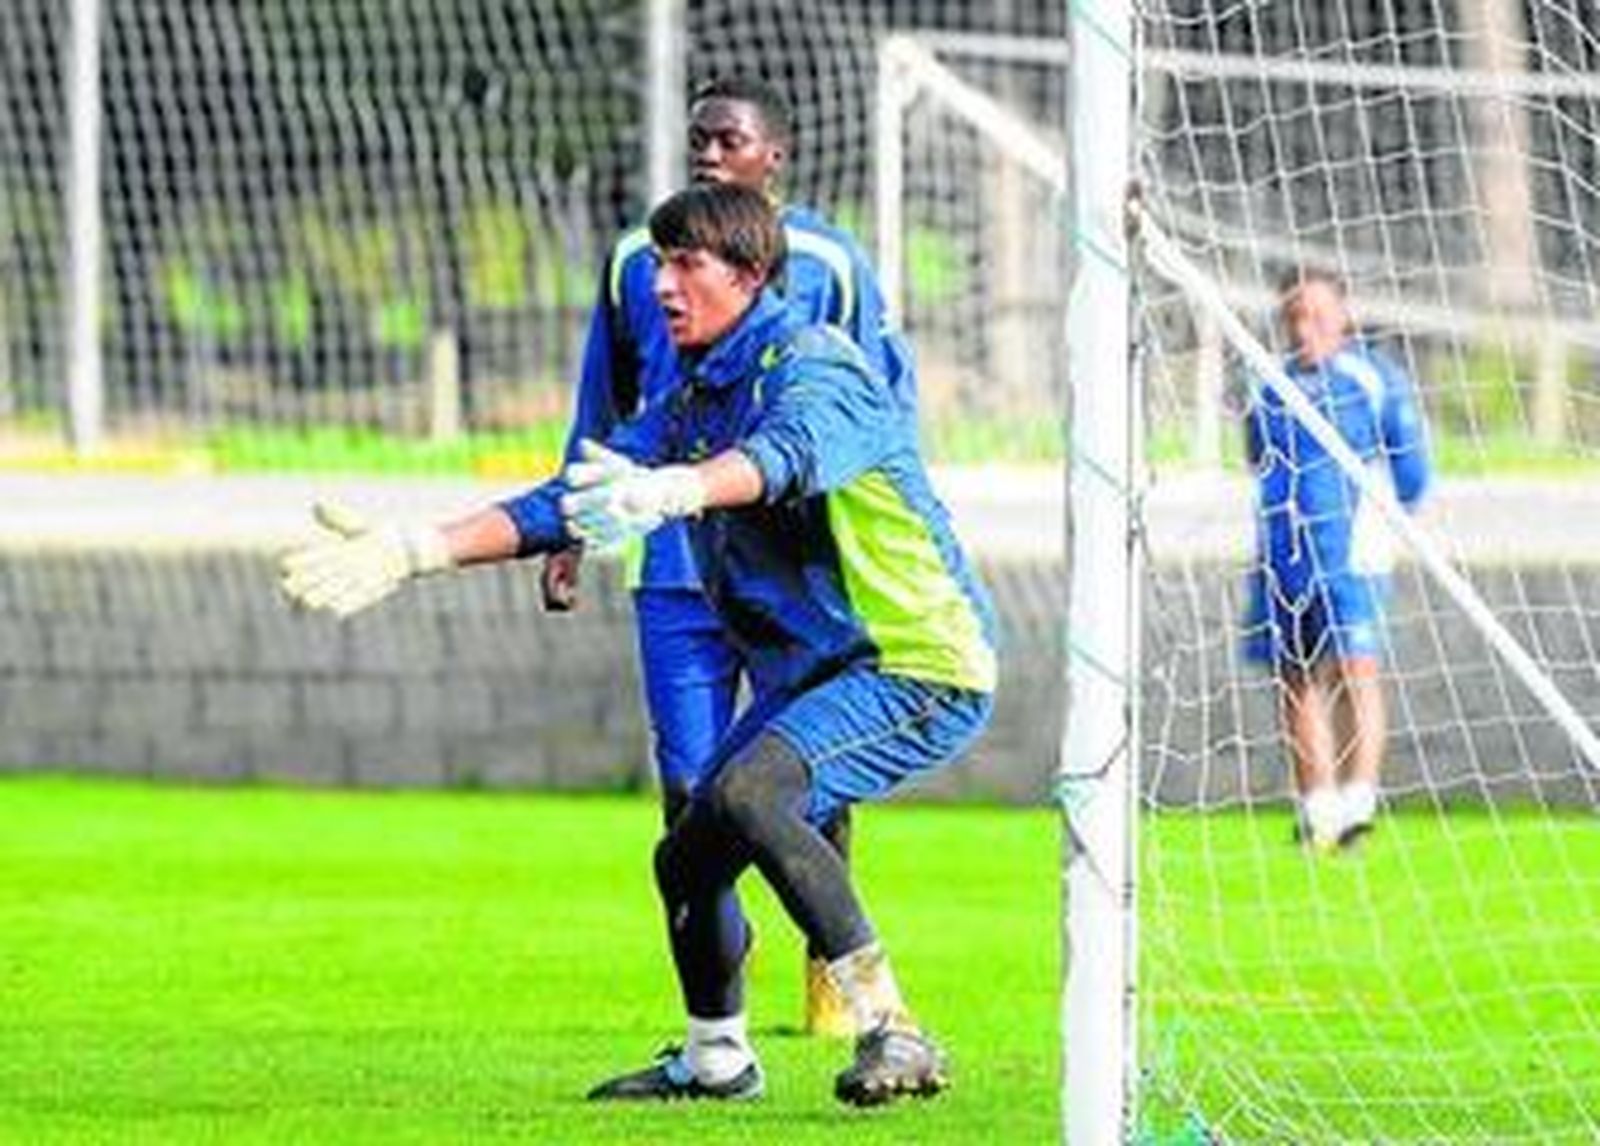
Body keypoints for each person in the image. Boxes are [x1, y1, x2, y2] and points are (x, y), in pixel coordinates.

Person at [279, 183, 997, 1105]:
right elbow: (568, 500)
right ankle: (716, 1062)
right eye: (658, 262)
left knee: (747, 793)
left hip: (917, 663)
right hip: (824, 674)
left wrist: (681, 490)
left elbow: (785, 456)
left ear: (747, 274)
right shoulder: (694, 395)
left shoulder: (818, 364)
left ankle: (890, 1028)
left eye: (684, 263)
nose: (660, 285)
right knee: (687, 858)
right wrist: (412, 548)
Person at [542, 74, 914, 1035]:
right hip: (671, 560)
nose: (708, 150)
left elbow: (880, 404)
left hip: (796, 566)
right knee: (689, 793)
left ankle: (834, 970)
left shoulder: (830, 260)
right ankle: (717, 1023)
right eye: (698, 136)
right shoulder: (639, 257)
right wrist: (572, 524)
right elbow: (606, 401)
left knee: (803, 773)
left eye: (728, 138)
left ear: (771, 156)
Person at [1243, 267, 1431, 852]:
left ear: (1343, 316)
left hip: (1352, 554)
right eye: (1295, 316)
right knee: (1295, 677)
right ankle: (1317, 808)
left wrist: (1379, 527)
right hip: (1284, 555)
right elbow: (1256, 456)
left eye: (1318, 314)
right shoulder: (1267, 381)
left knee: (1357, 672)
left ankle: (1358, 804)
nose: (1306, 328)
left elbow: (1412, 471)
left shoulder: (1372, 380)